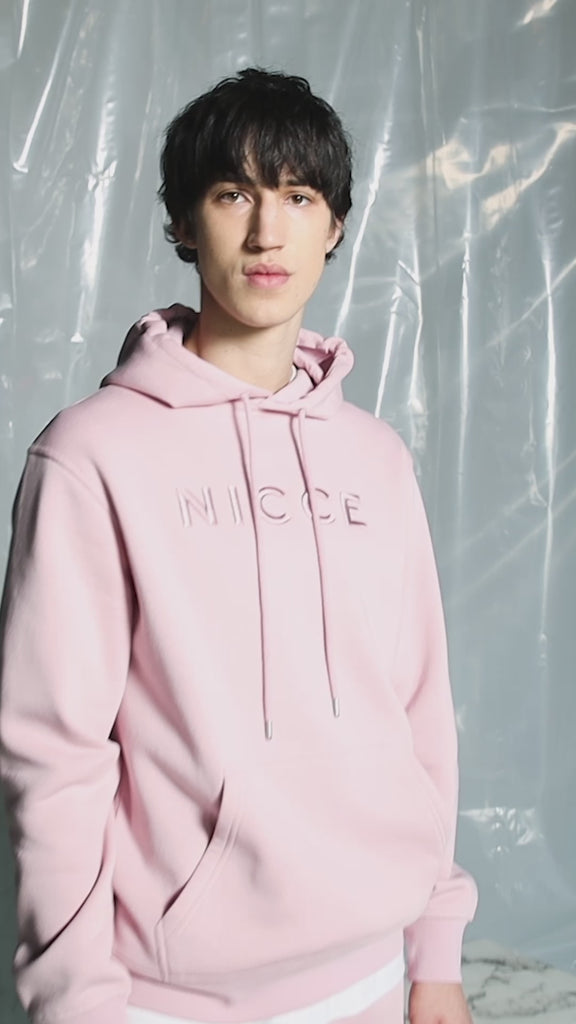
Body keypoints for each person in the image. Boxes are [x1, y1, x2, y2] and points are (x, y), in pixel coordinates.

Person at [0, 68, 477, 1024]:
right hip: (168, 999)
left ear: (334, 226)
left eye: (299, 197)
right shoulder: (91, 456)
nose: (268, 233)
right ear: (183, 222)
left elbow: (420, 712)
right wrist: (76, 1004)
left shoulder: (377, 458)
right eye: (233, 195)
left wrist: (435, 957)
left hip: (376, 972)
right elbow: (52, 757)